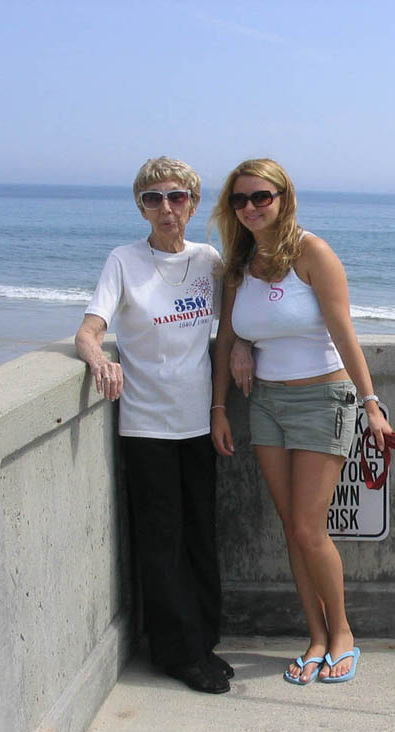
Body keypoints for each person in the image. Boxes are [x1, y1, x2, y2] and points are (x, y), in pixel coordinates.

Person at [210, 158, 394, 685]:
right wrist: (220, 404)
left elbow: (343, 331)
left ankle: (342, 633)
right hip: (265, 402)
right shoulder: (239, 263)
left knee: (311, 529)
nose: (250, 208)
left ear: (283, 197)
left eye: (260, 197)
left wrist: (371, 403)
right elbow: (228, 335)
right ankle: (314, 636)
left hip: (322, 399)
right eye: (240, 200)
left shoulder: (311, 252)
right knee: (291, 526)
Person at [75, 156, 234, 694]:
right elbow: (89, 330)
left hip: (198, 421)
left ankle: (203, 640)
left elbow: (236, 322)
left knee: (201, 534)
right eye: (153, 198)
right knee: (161, 540)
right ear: (141, 206)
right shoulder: (123, 261)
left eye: (176, 197)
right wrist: (99, 359)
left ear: (192, 202)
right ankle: (176, 653)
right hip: (145, 425)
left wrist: (244, 354)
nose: (166, 208)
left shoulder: (207, 260)